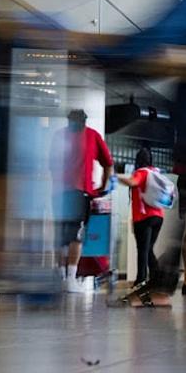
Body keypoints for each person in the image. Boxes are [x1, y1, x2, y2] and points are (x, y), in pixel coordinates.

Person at [50, 109, 113, 293]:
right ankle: (69, 278)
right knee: (75, 235)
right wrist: (103, 185)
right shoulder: (92, 135)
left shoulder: (59, 136)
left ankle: (63, 277)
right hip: (80, 191)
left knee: (62, 235)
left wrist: (102, 185)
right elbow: (108, 163)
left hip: (61, 192)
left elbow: (50, 165)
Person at [114, 148, 163, 287]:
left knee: (143, 249)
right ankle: (156, 278)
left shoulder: (142, 172)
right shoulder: (156, 172)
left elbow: (133, 182)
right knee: (148, 249)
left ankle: (140, 280)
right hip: (158, 216)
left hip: (143, 217)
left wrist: (116, 176)